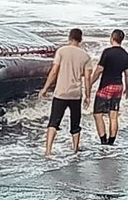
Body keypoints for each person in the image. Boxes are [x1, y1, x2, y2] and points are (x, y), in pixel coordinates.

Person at [39, 28, 92, 157]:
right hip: (75, 94)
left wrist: (45, 88)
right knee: (75, 123)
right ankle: (75, 149)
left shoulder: (61, 51)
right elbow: (88, 78)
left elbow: (54, 72)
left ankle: (48, 151)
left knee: (53, 122)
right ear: (81, 39)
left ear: (69, 38)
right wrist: (88, 96)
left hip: (60, 93)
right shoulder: (85, 56)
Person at [91, 29, 128, 145]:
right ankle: (111, 142)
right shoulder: (125, 54)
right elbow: (127, 74)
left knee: (98, 114)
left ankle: (103, 141)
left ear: (112, 38)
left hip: (106, 86)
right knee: (113, 115)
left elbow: (99, 70)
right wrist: (127, 89)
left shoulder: (107, 52)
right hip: (118, 87)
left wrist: (90, 83)